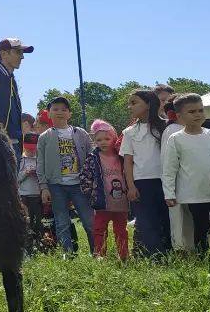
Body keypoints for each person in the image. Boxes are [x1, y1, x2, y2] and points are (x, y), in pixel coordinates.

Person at [163, 93, 210, 262]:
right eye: (192, 112)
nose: (198, 114)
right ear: (179, 116)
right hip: (194, 194)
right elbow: (169, 169)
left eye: (200, 110)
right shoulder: (176, 139)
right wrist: (169, 193)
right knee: (201, 228)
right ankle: (202, 260)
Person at [36, 96, 95, 254]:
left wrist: (92, 181)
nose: (60, 112)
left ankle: (97, 253)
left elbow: (92, 157)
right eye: (55, 109)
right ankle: (67, 254)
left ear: (69, 114)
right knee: (61, 222)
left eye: (64, 109)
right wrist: (44, 187)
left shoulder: (80, 133)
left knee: (89, 221)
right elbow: (40, 164)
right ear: (48, 114)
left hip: (79, 185)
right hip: (56, 186)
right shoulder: (44, 137)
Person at [120, 89, 172, 257]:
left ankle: (171, 252)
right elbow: (127, 162)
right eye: (130, 103)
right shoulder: (129, 132)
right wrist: (131, 186)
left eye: (134, 102)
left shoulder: (166, 127)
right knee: (147, 222)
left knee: (168, 219)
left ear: (149, 103)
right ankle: (155, 256)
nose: (130, 106)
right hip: (142, 183)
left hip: (166, 181)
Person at [83, 120, 130, 259]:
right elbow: (85, 176)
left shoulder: (121, 157)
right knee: (99, 229)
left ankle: (124, 255)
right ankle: (99, 255)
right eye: (99, 139)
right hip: (102, 202)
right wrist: (89, 192)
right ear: (94, 141)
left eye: (107, 139)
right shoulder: (92, 158)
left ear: (114, 138)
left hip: (121, 202)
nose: (103, 142)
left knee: (121, 230)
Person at [161, 99, 195, 252]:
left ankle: (191, 248)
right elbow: (169, 161)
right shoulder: (173, 130)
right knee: (179, 218)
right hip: (178, 181)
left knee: (188, 218)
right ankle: (181, 251)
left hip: (189, 182)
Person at [17, 132, 45, 254]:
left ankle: (39, 246)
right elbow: (16, 180)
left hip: (37, 196)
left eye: (34, 149)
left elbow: (45, 177)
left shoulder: (40, 159)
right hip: (24, 197)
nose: (31, 151)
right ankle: (26, 249)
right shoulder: (20, 160)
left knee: (38, 222)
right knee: (25, 223)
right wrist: (25, 173)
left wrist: (37, 173)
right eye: (28, 148)